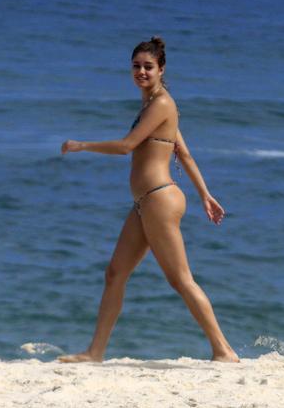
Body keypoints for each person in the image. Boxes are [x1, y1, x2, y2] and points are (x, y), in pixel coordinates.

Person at [58, 37, 239, 363]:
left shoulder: (162, 105)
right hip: (146, 202)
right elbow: (182, 152)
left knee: (180, 279)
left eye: (148, 66)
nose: (141, 71)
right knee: (115, 273)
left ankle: (224, 350)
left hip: (159, 200)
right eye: (136, 66)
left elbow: (127, 146)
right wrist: (205, 194)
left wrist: (82, 145)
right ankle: (95, 352)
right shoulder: (152, 105)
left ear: (161, 69)